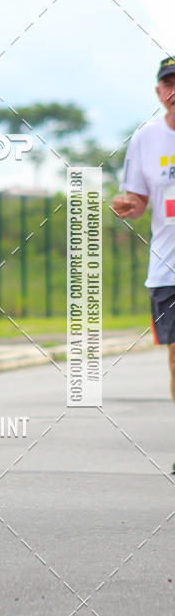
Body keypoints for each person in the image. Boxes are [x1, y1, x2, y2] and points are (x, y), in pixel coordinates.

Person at [113, 56, 175, 470]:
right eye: (168, 83)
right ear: (158, 92)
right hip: (168, 270)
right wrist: (127, 204)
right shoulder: (146, 139)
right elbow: (136, 198)